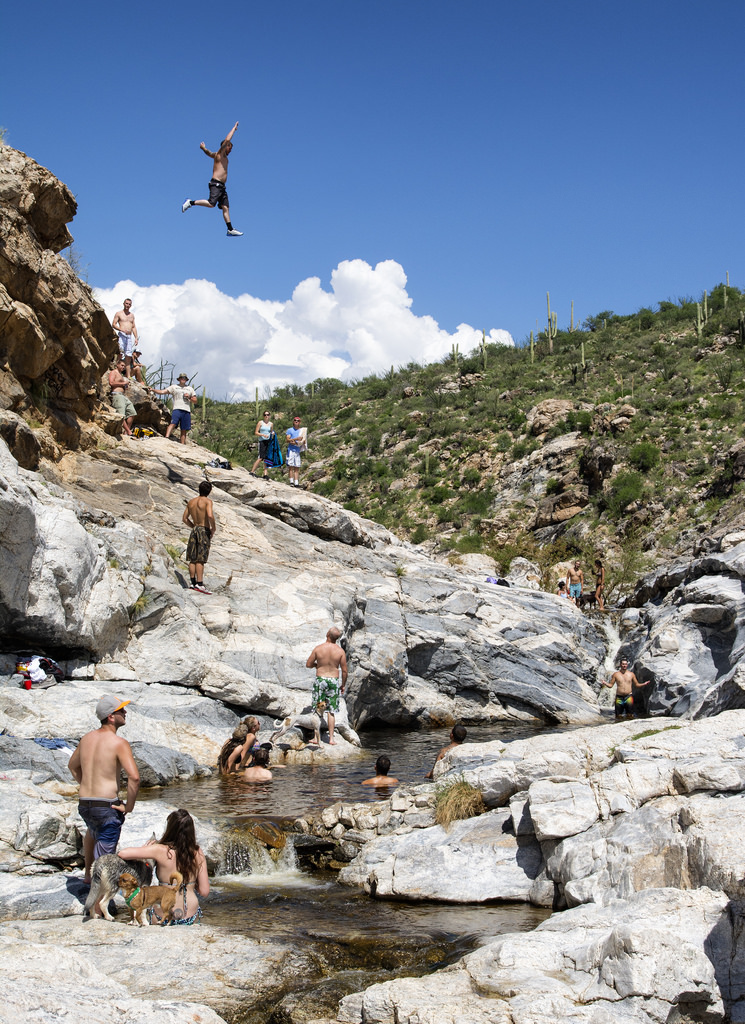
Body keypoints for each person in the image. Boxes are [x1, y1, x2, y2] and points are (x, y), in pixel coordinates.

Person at [68, 695, 140, 905]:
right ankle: (98, 908)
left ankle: (88, 876)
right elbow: (134, 777)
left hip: (85, 803)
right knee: (106, 860)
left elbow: (72, 766)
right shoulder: (119, 743)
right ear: (110, 717)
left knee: (92, 831)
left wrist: (85, 785)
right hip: (106, 805)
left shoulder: (87, 738)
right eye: (121, 711)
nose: (125, 713)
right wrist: (129, 806)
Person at [118, 808, 209, 925]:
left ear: (170, 829)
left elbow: (123, 853)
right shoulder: (198, 853)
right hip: (190, 915)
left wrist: (145, 848)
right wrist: (191, 883)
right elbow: (204, 891)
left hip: (162, 915)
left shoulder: (160, 850)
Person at [182, 121, 243, 237]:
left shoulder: (217, 156)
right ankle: (190, 202)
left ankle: (230, 229)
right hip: (216, 184)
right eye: (230, 148)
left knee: (225, 207)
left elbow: (208, 153)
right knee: (211, 204)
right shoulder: (220, 154)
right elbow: (227, 139)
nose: (230, 151)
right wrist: (234, 129)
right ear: (225, 147)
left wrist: (203, 149)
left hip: (222, 187)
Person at [306, 627, 348, 745]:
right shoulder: (340, 651)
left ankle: (316, 737)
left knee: (319, 708)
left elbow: (308, 664)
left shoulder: (319, 649)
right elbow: (344, 671)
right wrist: (343, 684)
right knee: (331, 710)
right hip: (333, 681)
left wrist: (317, 666)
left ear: (327, 634)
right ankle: (331, 739)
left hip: (321, 679)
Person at [182, 481, 216, 594]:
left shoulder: (191, 502)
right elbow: (210, 515)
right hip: (203, 530)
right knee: (201, 558)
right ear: (209, 491)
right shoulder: (207, 502)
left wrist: (193, 527)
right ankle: (200, 584)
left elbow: (185, 518)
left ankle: (192, 582)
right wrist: (213, 528)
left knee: (193, 557)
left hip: (195, 529)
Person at [149, 373, 197, 444]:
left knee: (184, 429)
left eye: (184, 378)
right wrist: (153, 390)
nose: (183, 379)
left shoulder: (190, 389)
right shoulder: (174, 387)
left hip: (186, 410)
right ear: (179, 379)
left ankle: (182, 444)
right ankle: (167, 437)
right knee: (173, 423)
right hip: (177, 408)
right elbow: (163, 392)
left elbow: (195, 401)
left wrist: (189, 397)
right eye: (181, 378)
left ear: (186, 380)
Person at [108, 360, 136, 437]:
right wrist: (123, 383)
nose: (123, 367)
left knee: (132, 412)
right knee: (121, 414)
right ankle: (129, 432)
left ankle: (126, 432)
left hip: (123, 396)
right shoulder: (113, 372)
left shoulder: (120, 375)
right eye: (122, 365)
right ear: (117, 365)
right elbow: (111, 383)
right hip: (116, 395)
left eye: (124, 366)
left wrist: (125, 386)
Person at [112, 298, 139, 377]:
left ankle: (128, 376)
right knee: (120, 354)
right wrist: (121, 329)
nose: (127, 305)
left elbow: (133, 327)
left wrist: (136, 337)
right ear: (124, 304)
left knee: (128, 356)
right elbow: (113, 324)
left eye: (129, 304)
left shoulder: (131, 315)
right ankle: (116, 372)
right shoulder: (119, 313)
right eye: (126, 303)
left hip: (129, 336)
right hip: (122, 335)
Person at [251, 411, 274, 479]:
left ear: (269, 416)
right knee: (261, 457)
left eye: (268, 415)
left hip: (268, 441)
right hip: (262, 441)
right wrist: (263, 435)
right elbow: (256, 432)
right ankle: (252, 471)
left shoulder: (271, 424)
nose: (266, 416)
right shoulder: (260, 423)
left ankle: (265, 474)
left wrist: (272, 434)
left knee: (266, 458)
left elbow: (271, 431)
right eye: (265, 415)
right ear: (263, 416)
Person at [286, 415, 306, 488]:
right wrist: (295, 439)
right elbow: (287, 439)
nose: (296, 422)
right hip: (291, 450)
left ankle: (296, 482)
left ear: (300, 422)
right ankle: (291, 481)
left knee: (297, 466)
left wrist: (300, 442)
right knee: (291, 466)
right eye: (295, 421)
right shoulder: (290, 430)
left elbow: (304, 441)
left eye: (298, 421)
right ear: (293, 422)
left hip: (297, 450)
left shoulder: (302, 431)